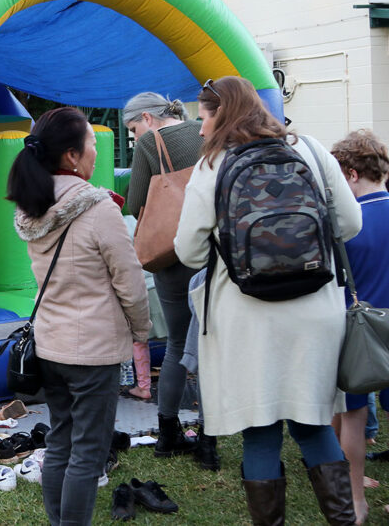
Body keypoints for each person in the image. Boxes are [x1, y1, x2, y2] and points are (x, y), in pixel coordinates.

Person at [174, 76, 361, 525]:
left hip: (245, 316)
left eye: (205, 117)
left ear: (224, 114)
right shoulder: (312, 151)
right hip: (316, 311)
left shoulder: (212, 166)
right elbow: (349, 224)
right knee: (314, 424)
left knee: (260, 432)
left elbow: (189, 252)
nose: (201, 130)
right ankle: (345, 519)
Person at [8, 107, 151, 526]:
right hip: (94, 351)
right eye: (91, 144)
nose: (94, 152)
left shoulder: (35, 202)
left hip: (51, 345)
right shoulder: (97, 207)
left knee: (61, 443)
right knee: (87, 454)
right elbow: (129, 278)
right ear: (71, 156)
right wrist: (141, 329)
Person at [122, 92, 213, 466]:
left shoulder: (148, 143)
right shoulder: (206, 132)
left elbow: (134, 202)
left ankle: (168, 432)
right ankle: (209, 441)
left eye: (132, 128)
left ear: (147, 117)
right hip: (212, 252)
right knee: (210, 344)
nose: (133, 136)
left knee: (177, 343)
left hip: (171, 255)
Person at [330, 129, 389, 524]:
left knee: (352, 416)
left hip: (358, 330)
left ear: (351, 174)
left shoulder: (348, 223)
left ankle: (355, 500)